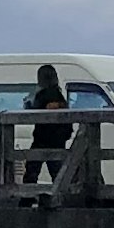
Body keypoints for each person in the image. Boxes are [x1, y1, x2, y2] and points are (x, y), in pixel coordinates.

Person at [24, 61, 74, 192]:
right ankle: (61, 195)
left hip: (42, 138)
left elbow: (37, 111)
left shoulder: (42, 95)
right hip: (58, 139)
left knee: (32, 169)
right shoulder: (59, 95)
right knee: (57, 171)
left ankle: (27, 197)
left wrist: (28, 106)